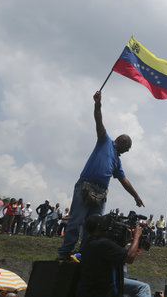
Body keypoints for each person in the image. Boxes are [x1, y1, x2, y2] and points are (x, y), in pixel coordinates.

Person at [58, 91, 144, 260]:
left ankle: (83, 255)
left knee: (96, 226)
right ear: (122, 143)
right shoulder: (105, 141)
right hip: (86, 187)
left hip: (100, 193)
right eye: (127, 148)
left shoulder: (117, 161)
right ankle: (64, 253)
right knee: (76, 221)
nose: (126, 152)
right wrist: (97, 104)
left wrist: (136, 196)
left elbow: (124, 180)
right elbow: (99, 121)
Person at [77, 214, 146, 297]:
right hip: (100, 292)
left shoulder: (89, 243)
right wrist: (136, 236)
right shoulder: (103, 244)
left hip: (88, 291)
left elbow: (116, 250)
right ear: (99, 226)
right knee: (143, 288)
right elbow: (130, 257)